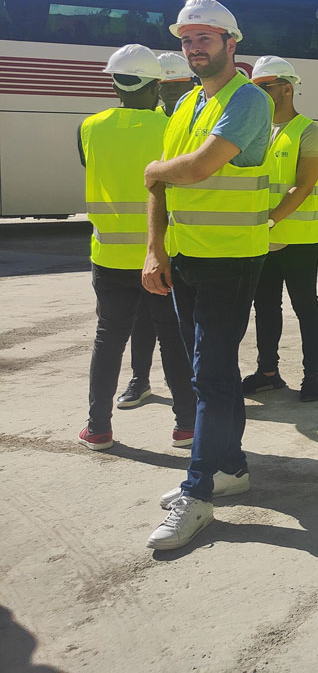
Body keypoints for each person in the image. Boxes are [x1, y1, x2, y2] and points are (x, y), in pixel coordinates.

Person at [141, 0, 273, 550]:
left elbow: (194, 167)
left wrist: (152, 169)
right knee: (212, 373)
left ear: (230, 43)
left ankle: (198, 493)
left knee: (210, 376)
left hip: (230, 258)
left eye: (205, 39)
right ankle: (231, 469)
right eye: (187, 40)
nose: (194, 48)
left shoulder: (247, 102)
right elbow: (164, 187)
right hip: (188, 257)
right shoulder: (189, 104)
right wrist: (156, 249)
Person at [77, 44, 196, 453]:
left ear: (115, 83)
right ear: (155, 87)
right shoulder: (170, 129)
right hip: (162, 254)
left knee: (108, 340)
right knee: (173, 338)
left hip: (108, 255)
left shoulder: (89, 127)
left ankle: (98, 428)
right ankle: (186, 426)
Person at [241, 56, 318, 402]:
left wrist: (270, 221)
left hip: (297, 239)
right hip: (263, 236)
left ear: (286, 89)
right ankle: (268, 372)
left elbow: (304, 185)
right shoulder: (253, 131)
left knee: (305, 305)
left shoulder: (309, 131)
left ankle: (312, 377)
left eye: (264, 87)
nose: (257, 94)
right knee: (265, 306)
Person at [117, 50, 198, 410]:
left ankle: (190, 387)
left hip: (178, 238)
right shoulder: (148, 123)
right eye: (165, 87)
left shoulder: (189, 125)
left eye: (178, 86)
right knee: (143, 319)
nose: (171, 94)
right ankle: (140, 379)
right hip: (144, 236)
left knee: (176, 321)